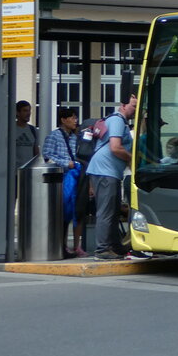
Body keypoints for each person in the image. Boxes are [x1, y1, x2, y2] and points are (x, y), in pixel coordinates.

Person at [85, 94, 137, 260]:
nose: (135, 110)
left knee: (113, 210)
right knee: (106, 211)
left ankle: (115, 246)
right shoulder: (117, 120)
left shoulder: (118, 120)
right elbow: (115, 147)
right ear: (123, 106)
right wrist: (132, 159)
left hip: (108, 171)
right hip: (105, 171)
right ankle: (102, 250)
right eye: (133, 106)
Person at [43, 107, 86, 257]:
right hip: (62, 179)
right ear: (63, 120)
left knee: (78, 211)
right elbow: (47, 157)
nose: (76, 121)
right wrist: (65, 164)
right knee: (64, 213)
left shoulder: (75, 137)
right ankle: (61, 244)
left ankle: (77, 246)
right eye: (72, 118)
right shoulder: (53, 136)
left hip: (76, 177)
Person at [13, 100, 39, 172]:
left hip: (28, 172)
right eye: (25, 111)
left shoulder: (33, 130)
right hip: (13, 172)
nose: (28, 114)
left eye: (29, 111)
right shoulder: (11, 129)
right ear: (17, 112)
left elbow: (36, 153)